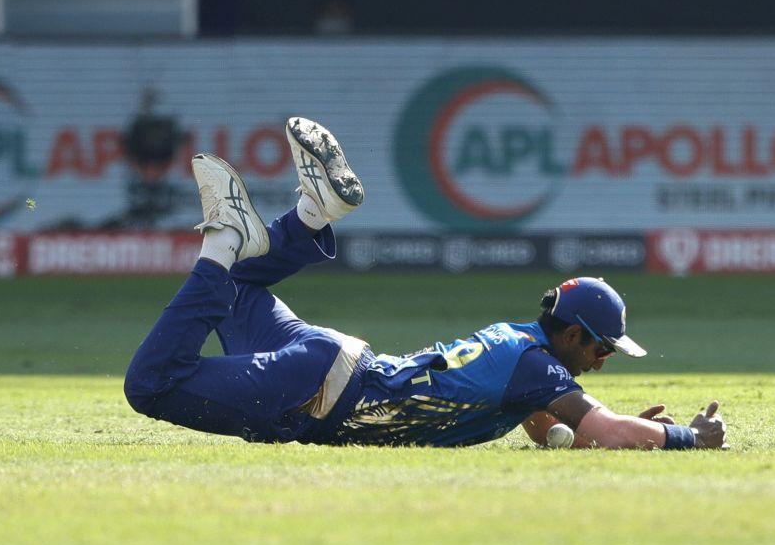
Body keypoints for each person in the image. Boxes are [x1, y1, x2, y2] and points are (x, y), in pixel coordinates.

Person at [124, 117, 728, 450]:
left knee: (241, 292)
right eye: (601, 348)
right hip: (320, 390)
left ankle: (309, 217)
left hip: (336, 365)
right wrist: (682, 437)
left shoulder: (523, 351)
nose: (601, 362)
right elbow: (597, 427)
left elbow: (559, 429)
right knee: (149, 385)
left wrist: (628, 432)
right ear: (572, 335)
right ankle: (224, 240)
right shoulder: (539, 368)